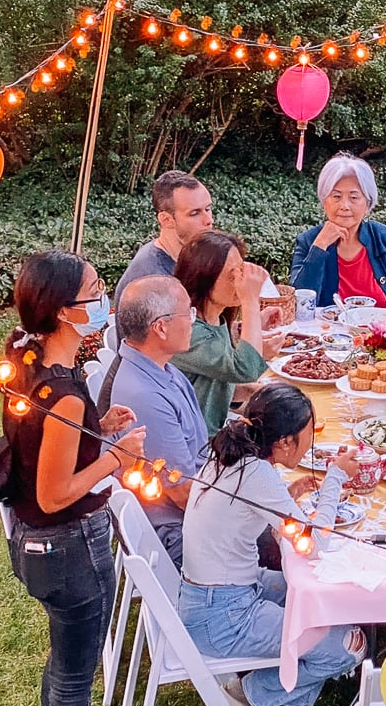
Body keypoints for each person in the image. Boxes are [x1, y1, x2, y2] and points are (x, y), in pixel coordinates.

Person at [1, 251, 147, 706]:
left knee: (62, 657)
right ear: (64, 311)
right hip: (70, 545)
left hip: (34, 544)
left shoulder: (25, 354)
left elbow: (46, 439)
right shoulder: (61, 393)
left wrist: (93, 427)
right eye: (94, 290)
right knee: (75, 671)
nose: (104, 296)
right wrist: (115, 457)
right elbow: (55, 492)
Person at [178, 384, 367, 706]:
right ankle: (256, 693)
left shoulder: (232, 452)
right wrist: (335, 479)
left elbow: (253, 512)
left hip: (221, 593)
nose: (310, 445)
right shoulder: (257, 474)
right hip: (222, 617)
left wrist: (290, 494)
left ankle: (275, 697)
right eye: (308, 437)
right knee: (351, 644)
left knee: (335, 602)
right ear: (283, 442)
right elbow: (310, 546)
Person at [100, 276, 209, 569]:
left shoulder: (162, 369)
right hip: (183, 534)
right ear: (160, 327)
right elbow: (184, 495)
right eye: (189, 314)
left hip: (199, 507)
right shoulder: (144, 396)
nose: (193, 322)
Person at [172, 230, 282, 435]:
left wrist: (252, 325)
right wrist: (251, 302)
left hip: (214, 427)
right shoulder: (188, 330)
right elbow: (246, 368)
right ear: (204, 277)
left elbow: (213, 381)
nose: (241, 281)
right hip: (196, 442)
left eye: (242, 270)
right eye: (233, 275)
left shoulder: (215, 318)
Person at [289, 153, 386, 307]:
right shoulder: (308, 241)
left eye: (354, 197)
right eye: (336, 196)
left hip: (383, 329)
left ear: (368, 203)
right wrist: (319, 247)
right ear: (324, 201)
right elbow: (298, 304)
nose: (344, 206)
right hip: (326, 330)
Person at [113, 171, 215, 340]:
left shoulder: (184, 259)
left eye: (208, 209)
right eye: (195, 213)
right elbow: (181, 349)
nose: (208, 220)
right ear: (166, 220)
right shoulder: (152, 277)